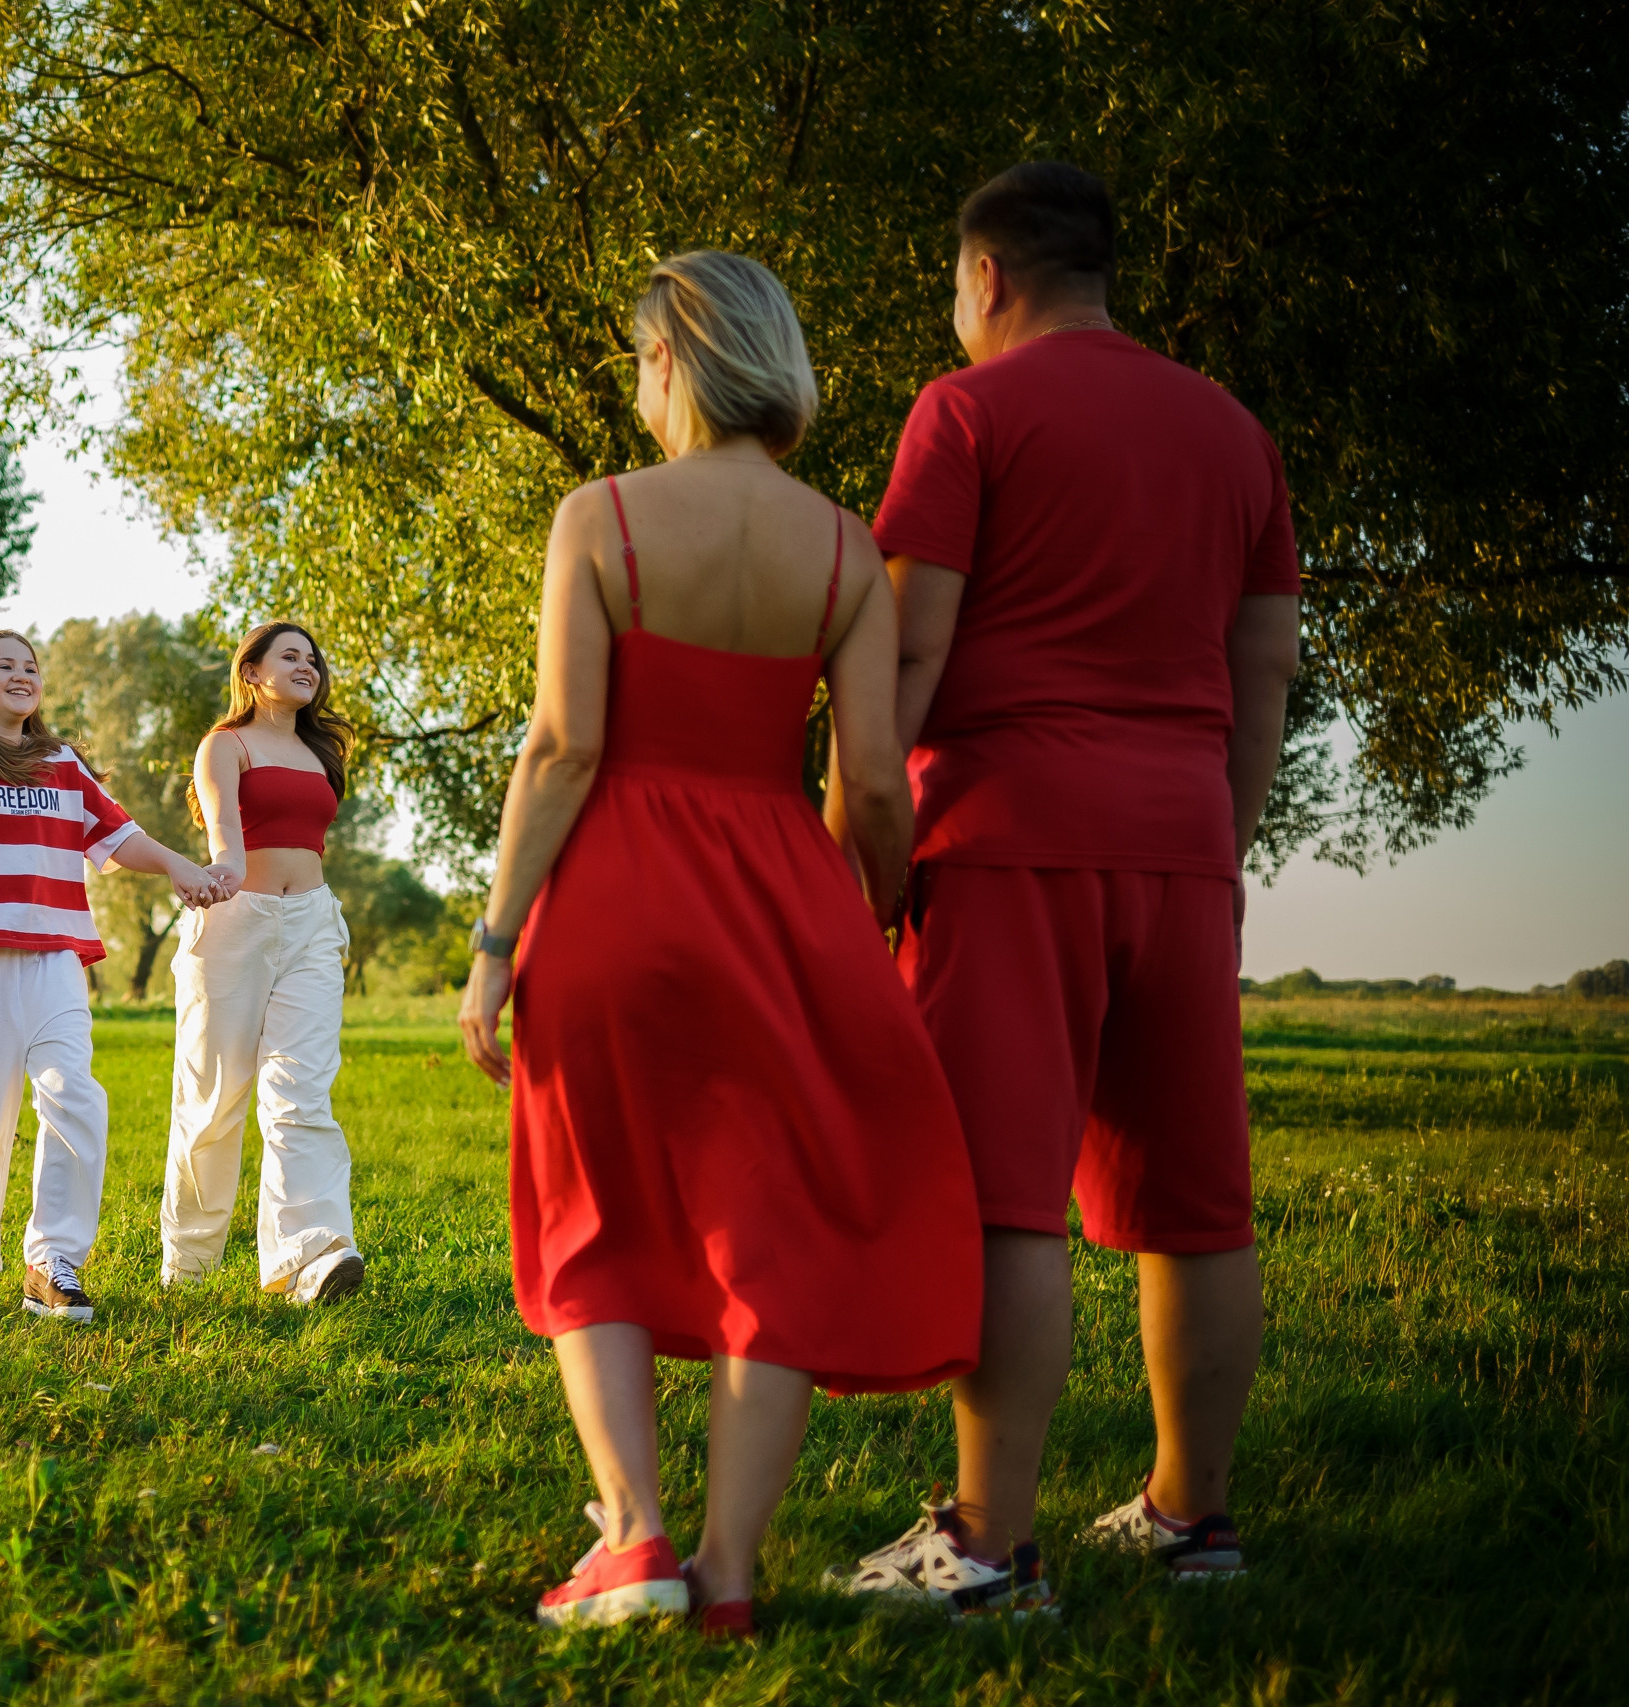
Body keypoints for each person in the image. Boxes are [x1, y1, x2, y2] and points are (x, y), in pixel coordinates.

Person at [457, 251, 983, 1634]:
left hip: (617, 891)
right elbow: (874, 779)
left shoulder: (602, 518)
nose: (637, 385)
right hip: (782, 900)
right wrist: (874, 907)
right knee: (774, 1224)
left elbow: (565, 745)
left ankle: (630, 1535)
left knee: (596, 1211)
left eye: (639, 358)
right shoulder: (844, 548)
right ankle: (732, 1570)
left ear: (676, 358)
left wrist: (496, 940)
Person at [832, 162, 1301, 1613]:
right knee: (1196, 1205)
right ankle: (1190, 1518)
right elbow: (1266, 666)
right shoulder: (1234, 432)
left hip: (1010, 836)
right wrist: (1216, 844)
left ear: (986, 280)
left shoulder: (964, 413)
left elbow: (908, 657)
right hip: (1178, 841)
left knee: (1009, 1204)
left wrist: (864, 847)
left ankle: (985, 1545)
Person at [0, 629, 236, 1323]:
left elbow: (118, 838)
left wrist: (177, 864)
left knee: (76, 1098)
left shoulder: (62, 764)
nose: (22, 675)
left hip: (56, 959)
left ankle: (53, 1262)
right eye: (5, 666)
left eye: (31, 667)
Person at [158, 622, 367, 1305]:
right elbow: (225, 827)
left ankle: (310, 1257)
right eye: (290, 656)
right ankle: (188, 1266)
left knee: (302, 1094)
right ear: (251, 670)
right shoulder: (227, 743)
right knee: (212, 1099)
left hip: (310, 924)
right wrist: (223, 868)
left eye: (313, 659)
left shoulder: (321, 751)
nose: (307, 666)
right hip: (236, 922)